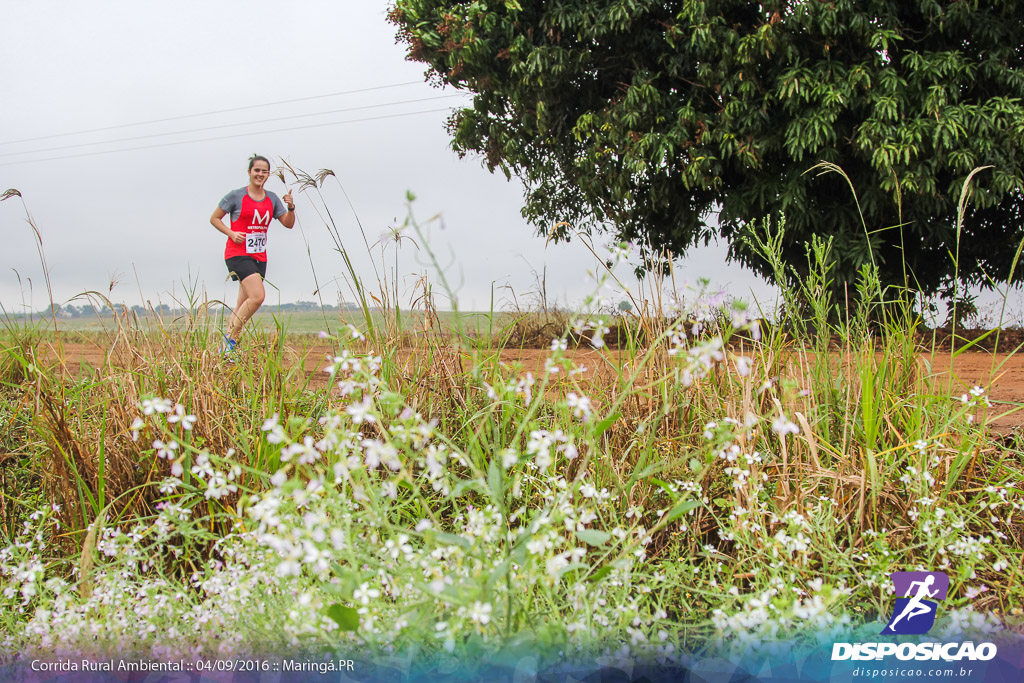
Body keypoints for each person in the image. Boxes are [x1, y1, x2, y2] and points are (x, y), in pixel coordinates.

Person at [210, 154, 295, 354]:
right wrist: (231, 232)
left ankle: (227, 349)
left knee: (242, 305)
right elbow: (214, 218)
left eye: (264, 171)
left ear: (268, 174)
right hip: (237, 254)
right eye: (257, 170)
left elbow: (289, 224)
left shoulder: (272, 198)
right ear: (249, 172)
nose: (260, 174)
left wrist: (291, 206)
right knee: (257, 297)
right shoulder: (236, 195)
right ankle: (229, 343)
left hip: (259, 257)